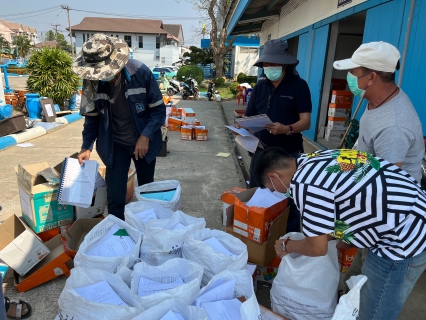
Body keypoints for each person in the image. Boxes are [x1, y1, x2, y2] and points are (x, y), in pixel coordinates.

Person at [253, 147, 426, 320]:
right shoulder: (315, 157)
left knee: (374, 312)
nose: (277, 192)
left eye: (272, 188)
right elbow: (350, 197)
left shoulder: (305, 185)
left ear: (274, 176)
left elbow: (317, 248)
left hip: (404, 237)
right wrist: (344, 235)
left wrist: (286, 245)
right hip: (411, 210)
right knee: (355, 289)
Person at [333, 41, 425, 287]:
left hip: (390, 228)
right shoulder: (376, 102)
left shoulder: (393, 125)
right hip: (375, 217)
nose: (350, 77)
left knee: (369, 293)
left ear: (371, 77)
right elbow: (367, 156)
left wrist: (348, 231)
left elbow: (382, 193)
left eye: (354, 72)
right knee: (352, 282)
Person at [73, 34, 166, 220]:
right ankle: (116, 231)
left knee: (147, 190)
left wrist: (145, 136)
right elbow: (92, 118)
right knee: (115, 197)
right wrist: (86, 146)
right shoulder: (92, 82)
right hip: (115, 144)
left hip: (143, 144)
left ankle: (147, 226)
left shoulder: (141, 72)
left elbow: (158, 111)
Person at [241, 39, 312, 232]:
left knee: (289, 201)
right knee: (258, 196)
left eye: (273, 64)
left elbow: (305, 121)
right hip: (261, 152)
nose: (269, 68)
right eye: (266, 64)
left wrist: (287, 128)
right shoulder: (260, 87)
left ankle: (288, 240)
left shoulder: (299, 86)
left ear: (285, 64)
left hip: (288, 155)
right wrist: (243, 127)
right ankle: (258, 236)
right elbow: (249, 117)